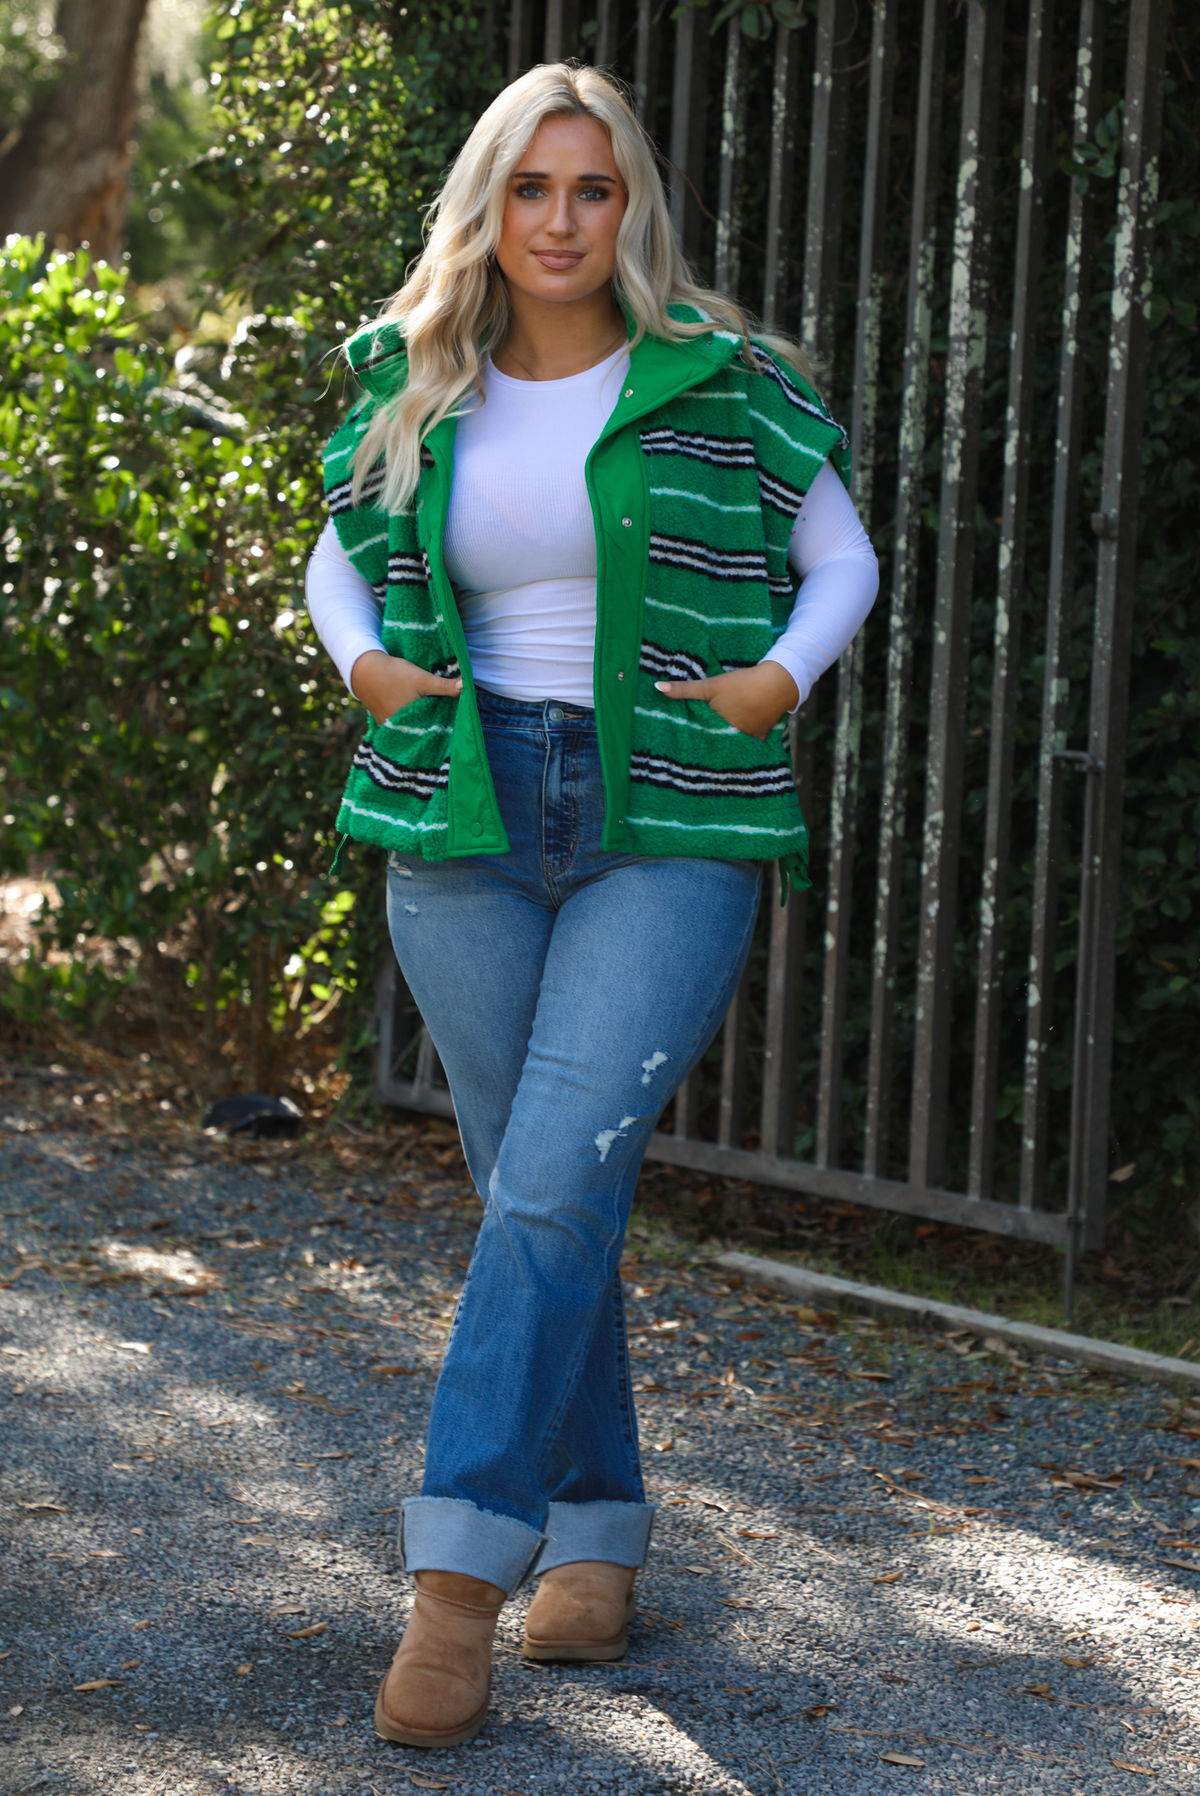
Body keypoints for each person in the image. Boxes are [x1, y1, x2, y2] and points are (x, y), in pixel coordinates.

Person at [306, 61, 877, 1751]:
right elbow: (333, 540)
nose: (561, 221)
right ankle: (603, 1538)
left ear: (632, 206)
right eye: (532, 189)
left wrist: (778, 679)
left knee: (551, 1184)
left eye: (594, 189)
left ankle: (457, 1583)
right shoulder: (419, 375)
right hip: (467, 813)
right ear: (490, 206)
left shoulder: (726, 382)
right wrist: (365, 666)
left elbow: (838, 550)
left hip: (666, 818)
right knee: (542, 1195)